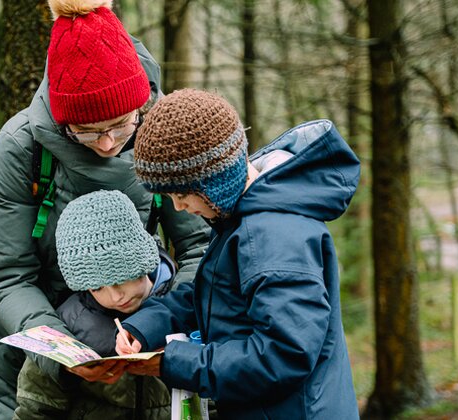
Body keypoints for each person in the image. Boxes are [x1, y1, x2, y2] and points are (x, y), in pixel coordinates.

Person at [0, 1, 211, 418]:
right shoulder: (20, 147)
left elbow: (199, 246)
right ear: (63, 121)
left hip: (134, 323)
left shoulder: (163, 131)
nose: (106, 143)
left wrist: (152, 319)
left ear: (141, 108)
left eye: (120, 126)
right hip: (27, 335)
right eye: (87, 131)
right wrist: (62, 351)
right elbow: (8, 275)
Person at [115, 89, 361, 418]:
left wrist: (176, 361)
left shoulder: (272, 238)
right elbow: (213, 293)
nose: (179, 207)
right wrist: (144, 327)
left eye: (183, 194)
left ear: (215, 181)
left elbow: (282, 355)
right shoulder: (241, 218)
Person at [13, 190, 175, 419]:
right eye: (97, 287)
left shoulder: (184, 307)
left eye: (119, 279)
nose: (115, 296)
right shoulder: (69, 326)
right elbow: (35, 408)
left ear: (141, 260)